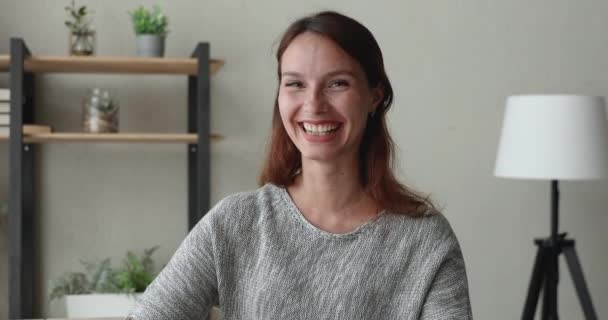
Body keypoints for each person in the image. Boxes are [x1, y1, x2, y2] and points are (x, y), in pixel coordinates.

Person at [128, 11, 472, 320]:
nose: (313, 104)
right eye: (295, 84)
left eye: (338, 83)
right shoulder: (235, 223)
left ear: (374, 96)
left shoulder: (426, 241)